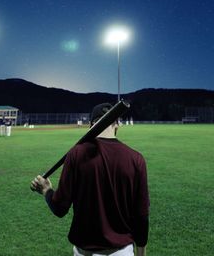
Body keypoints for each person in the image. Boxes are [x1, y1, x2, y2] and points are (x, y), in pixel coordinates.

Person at [31, 103, 149, 256]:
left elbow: (60, 208)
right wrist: (141, 253)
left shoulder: (76, 154)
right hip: (122, 252)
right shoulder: (136, 159)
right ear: (118, 124)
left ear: (91, 125)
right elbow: (141, 217)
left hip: (84, 252)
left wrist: (46, 190)